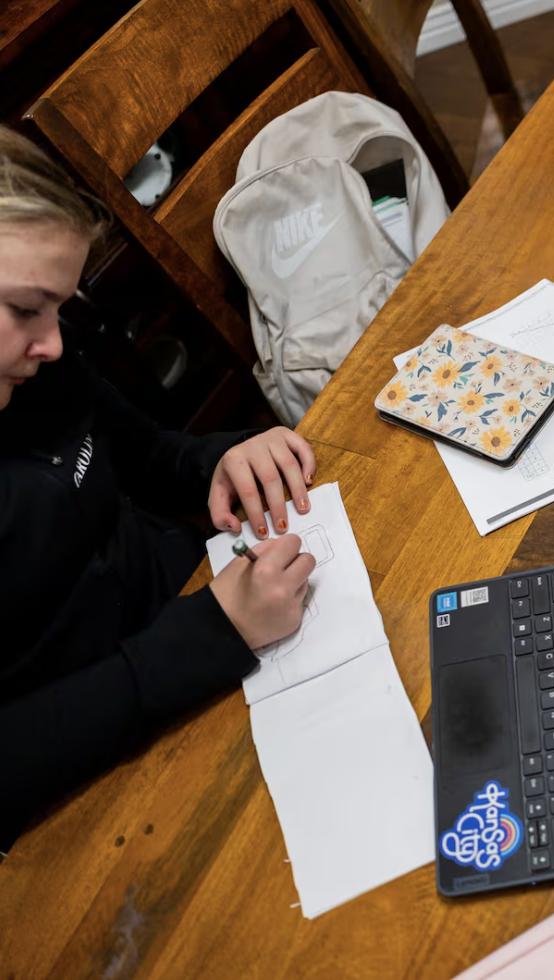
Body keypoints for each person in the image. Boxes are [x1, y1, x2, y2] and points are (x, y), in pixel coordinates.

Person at [0, 125, 318, 848]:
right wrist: (211, 632)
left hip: (198, 616)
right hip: (95, 789)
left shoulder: (38, 368)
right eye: (25, 310)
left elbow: (146, 452)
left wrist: (220, 462)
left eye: (58, 309)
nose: (51, 343)